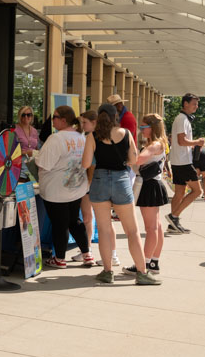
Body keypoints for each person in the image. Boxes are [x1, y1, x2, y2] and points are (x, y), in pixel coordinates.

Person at [82, 103, 160, 285]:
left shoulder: (93, 136)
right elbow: (133, 160)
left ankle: (107, 271)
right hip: (121, 181)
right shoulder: (126, 134)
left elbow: (86, 163)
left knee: (103, 230)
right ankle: (142, 272)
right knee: (132, 231)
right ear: (115, 116)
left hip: (100, 182)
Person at [37, 106, 93, 268]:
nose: (51, 120)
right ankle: (87, 253)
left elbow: (43, 164)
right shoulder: (82, 138)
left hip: (56, 189)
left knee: (59, 224)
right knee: (74, 220)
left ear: (63, 120)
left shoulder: (56, 139)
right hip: (76, 187)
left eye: (54, 117)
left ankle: (60, 259)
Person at [73, 110, 119, 266]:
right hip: (92, 184)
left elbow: (90, 165)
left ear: (94, 122)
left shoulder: (94, 138)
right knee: (88, 218)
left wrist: (88, 184)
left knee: (102, 221)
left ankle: (111, 254)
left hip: (94, 184)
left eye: (84, 122)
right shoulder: (90, 137)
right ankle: (87, 250)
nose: (82, 125)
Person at [125, 114, 168, 276]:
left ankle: (143, 263)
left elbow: (138, 160)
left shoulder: (155, 145)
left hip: (149, 186)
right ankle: (153, 262)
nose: (141, 130)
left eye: (144, 127)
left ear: (152, 127)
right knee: (156, 226)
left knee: (151, 228)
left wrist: (127, 145)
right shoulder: (158, 143)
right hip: (152, 184)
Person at [166, 93, 204, 234]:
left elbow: (180, 141)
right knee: (197, 191)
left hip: (179, 160)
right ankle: (173, 216)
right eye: (194, 103)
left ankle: (173, 225)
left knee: (180, 192)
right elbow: (182, 141)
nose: (196, 106)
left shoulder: (182, 119)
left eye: (197, 104)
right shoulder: (182, 119)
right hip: (183, 162)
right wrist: (197, 142)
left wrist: (193, 144)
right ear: (185, 104)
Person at [14, 105, 38, 183]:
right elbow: (9, 151)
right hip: (19, 168)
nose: (26, 117)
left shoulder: (34, 131)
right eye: (23, 115)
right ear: (20, 116)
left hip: (33, 168)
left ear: (32, 116)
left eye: (29, 115)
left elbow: (37, 148)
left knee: (33, 193)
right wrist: (25, 152)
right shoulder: (14, 130)